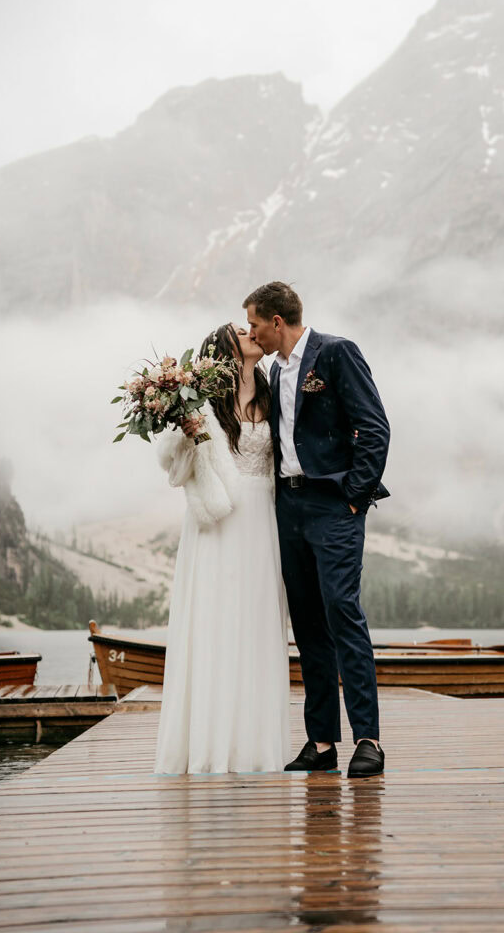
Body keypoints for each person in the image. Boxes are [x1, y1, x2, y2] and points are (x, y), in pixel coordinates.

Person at [243, 281, 391, 778]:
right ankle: (322, 742)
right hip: (289, 507)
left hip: (333, 506)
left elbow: (373, 426)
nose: (252, 333)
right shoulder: (272, 371)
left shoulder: (336, 353)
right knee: (307, 626)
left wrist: (355, 497)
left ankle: (367, 740)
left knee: (342, 612)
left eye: (255, 324)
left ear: (277, 322)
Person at [153, 323, 290, 774]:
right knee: (215, 622)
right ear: (225, 349)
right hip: (217, 524)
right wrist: (188, 432)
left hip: (262, 520)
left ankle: (251, 747)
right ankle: (209, 746)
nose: (250, 332)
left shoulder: (271, 392)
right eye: (239, 330)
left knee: (255, 625)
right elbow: (176, 472)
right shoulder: (202, 402)